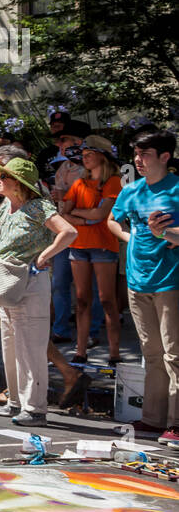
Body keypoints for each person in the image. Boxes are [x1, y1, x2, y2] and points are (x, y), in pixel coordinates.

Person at [0, 156, 78, 425]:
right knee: (10, 345)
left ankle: (35, 408)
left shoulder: (39, 207)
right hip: (8, 281)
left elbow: (68, 232)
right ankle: (16, 402)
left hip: (30, 282)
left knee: (30, 347)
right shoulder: (5, 207)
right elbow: (1, 242)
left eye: (3, 176)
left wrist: (44, 255)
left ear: (18, 182)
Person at [107, 130, 179, 445]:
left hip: (170, 281)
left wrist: (165, 233)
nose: (138, 160)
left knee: (174, 355)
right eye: (136, 154)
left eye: (145, 154)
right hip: (138, 281)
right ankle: (153, 420)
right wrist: (131, 237)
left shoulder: (176, 189)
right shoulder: (131, 190)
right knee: (151, 354)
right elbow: (112, 220)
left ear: (165, 156)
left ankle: (176, 423)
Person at [61, 135, 124, 364]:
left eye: (89, 154)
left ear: (103, 156)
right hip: (78, 245)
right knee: (81, 300)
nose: (85, 158)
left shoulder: (114, 181)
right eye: (83, 155)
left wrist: (79, 214)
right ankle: (80, 352)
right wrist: (86, 219)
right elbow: (64, 214)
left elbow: (101, 215)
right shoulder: (79, 183)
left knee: (107, 300)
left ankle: (114, 354)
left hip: (104, 246)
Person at [49, 119, 103, 343]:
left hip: (89, 233)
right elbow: (59, 197)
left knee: (90, 286)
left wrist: (64, 197)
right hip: (65, 233)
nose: (59, 144)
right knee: (59, 282)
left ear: (78, 142)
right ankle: (61, 328)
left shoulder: (95, 169)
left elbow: (92, 201)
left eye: (63, 140)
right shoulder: (63, 167)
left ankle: (91, 331)